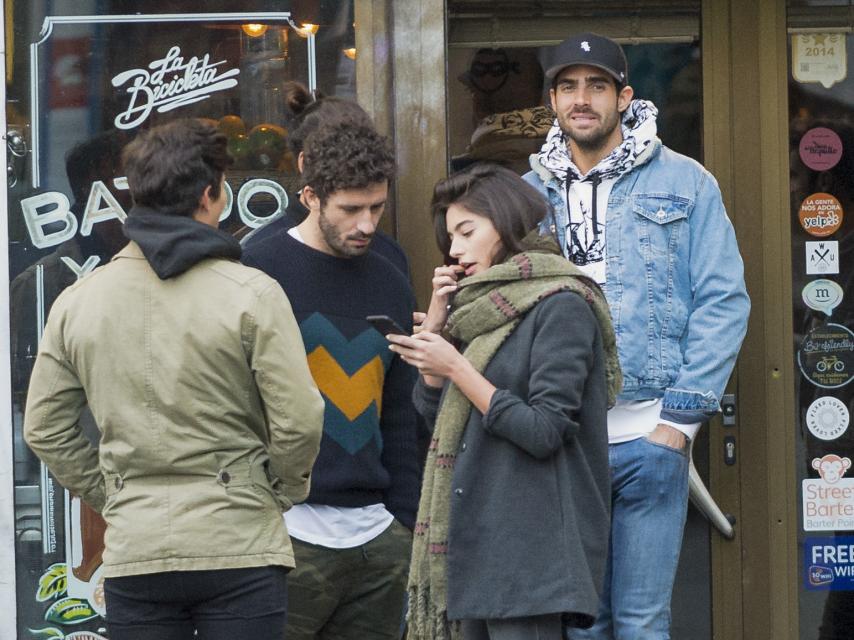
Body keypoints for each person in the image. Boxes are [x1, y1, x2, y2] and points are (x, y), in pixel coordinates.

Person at [23, 118, 325, 640]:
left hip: (137, 550)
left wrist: (114, 494)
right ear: (212, 195)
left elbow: (44, 428)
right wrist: (279, 490)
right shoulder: (253, 292)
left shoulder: (78, 301)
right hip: (239, 542)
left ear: (134, 194)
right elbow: (299, 420)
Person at [523, 33, 750, 638]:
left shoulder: (686, 181)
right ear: (551, 99)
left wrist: (679, 426)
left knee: (644, 623)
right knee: (583, 625)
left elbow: (723, 301)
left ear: (624, 96)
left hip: (650, 435)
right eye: (568, 86)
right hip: (564, 441)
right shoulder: (526, 192)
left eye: (597, 86)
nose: (582, 99)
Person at [388, 164, 621, 640]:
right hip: (474, 542)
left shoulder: (562, 303)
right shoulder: (479, 312)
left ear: (506, 221)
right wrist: (435, 335)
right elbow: (444, 424)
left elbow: (543, 431)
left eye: (466, 231)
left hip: (529, 553)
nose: (454, 249)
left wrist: (456, 366)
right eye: (450, 237)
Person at [242, 120, 421, 640]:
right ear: (310, 197)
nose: (367, 224)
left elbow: (401, 409)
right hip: (283, 533)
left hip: (377, 537)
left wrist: (402, 525)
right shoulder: (258, 271)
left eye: (377, 208)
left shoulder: (390, 279)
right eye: (350, 209)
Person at [243, 81, 410, 278]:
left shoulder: (389, 255)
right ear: (305, 163)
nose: (367, 225)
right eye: (350, 208)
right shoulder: (259, 257)